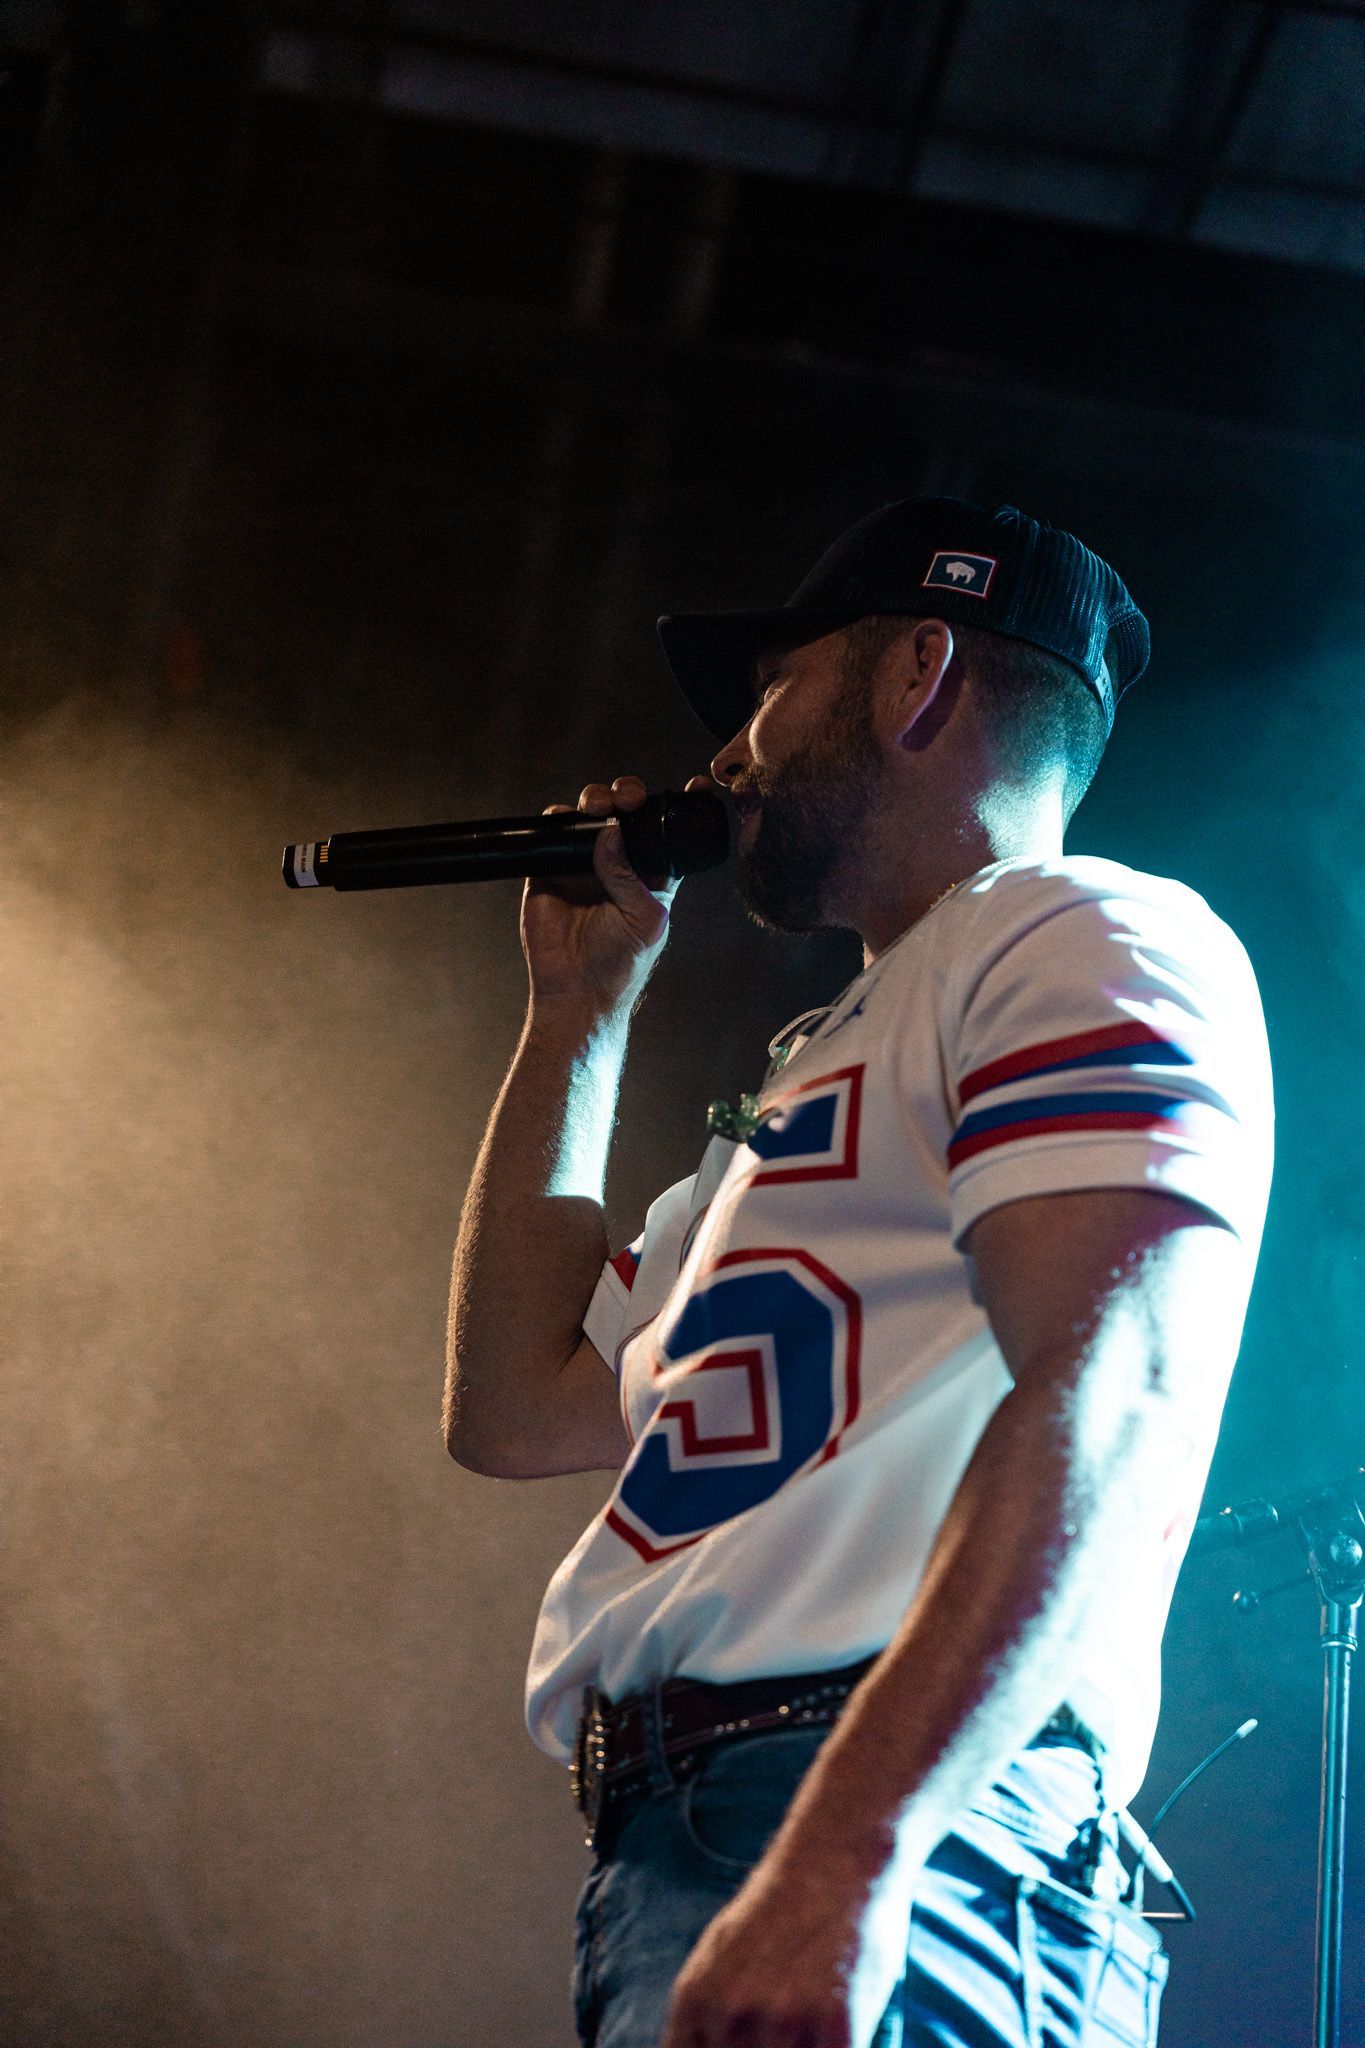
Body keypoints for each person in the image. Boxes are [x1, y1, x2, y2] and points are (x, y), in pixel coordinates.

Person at [444, 497, 1274, 2048]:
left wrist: (854, 1856)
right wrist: (578, 1015)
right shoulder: (807, 1077)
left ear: (918, 670)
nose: (723, 759)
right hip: (696, 1832)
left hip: (894, 1813)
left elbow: (1120, 1394)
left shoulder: (1077, 933)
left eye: (765, 694)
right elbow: (513, 1407)